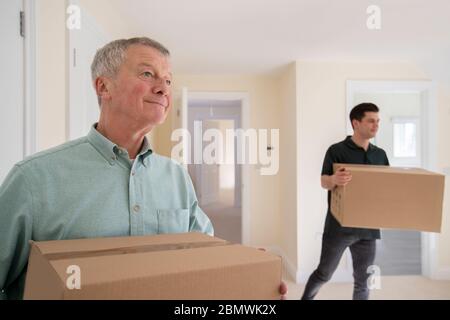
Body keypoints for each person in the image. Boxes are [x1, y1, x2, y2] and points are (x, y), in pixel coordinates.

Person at [0, 37, 287, 300]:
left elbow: (203, 255)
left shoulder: (177, 177)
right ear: (104, 86)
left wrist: (247, 270)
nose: (163, 88)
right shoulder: (33, 180)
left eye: (168, 80)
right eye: (147, 74)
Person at [301, 103, 389, 300]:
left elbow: (385, 185)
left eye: (378, 121)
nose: (376, 125)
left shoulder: (380, 154)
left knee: (363, 281)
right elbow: (324, 181)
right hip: (338, 228)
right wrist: (334, 180)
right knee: (324, 274)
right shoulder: (336, 150)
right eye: (371, 121)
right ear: (355, 123)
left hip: (368, 230)